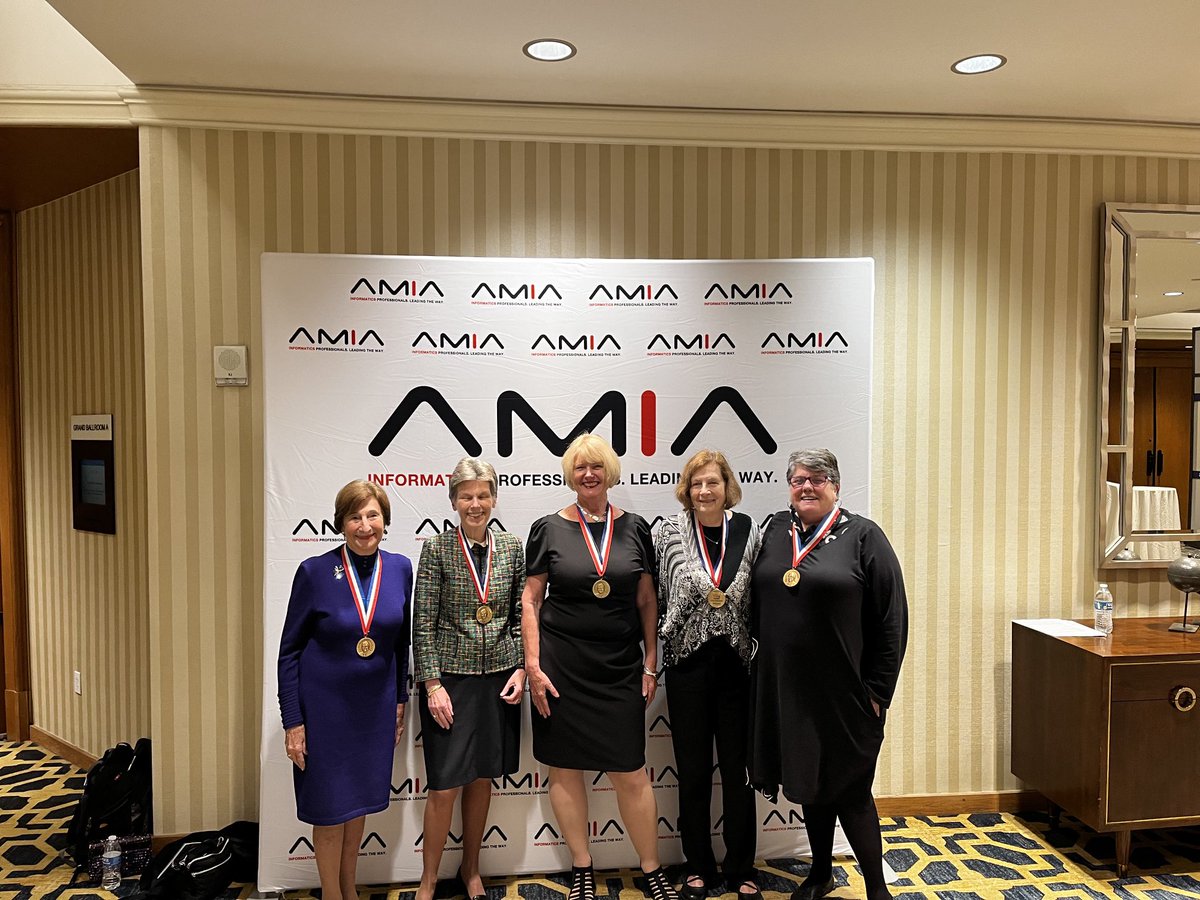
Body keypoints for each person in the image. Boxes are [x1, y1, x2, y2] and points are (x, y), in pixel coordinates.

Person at [522, 433, 679, 900]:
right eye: (579, 467)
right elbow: (531, 600)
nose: (588, 474)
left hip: (619, 668)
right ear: (570, 473)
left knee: (631, 772)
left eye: (596, 467)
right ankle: (582, 868)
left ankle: (650, 868)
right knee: (565, 770)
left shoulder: (636, 529)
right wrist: (532, 665)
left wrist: (651, 663)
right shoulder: (547, 528)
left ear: (609, 472)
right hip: (561, 666)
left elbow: (647, 599)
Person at [748, 449, 907, 900]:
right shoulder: (775, 530)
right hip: (790, 691)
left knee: (851, 791)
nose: (807, 487)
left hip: (848, 694)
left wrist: (879, 690)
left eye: (817, 479)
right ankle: (820, 874)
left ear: (835, 485)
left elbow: (893, 618)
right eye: (799, 479)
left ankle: (877, 889)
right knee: (808, 785)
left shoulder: (864, 536)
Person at [277, 479, 413, 900]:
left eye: (373, 515)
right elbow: (289, 652)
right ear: (341, 523)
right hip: (324, 713)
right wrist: (293, 721)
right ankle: (332, 894)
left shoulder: (401, 568)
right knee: (330, 808)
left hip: (373, 711)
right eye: (355, 516)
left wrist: (400, 699)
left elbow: (401, 643)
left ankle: (350, 888)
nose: (364, 525)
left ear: (385, 522)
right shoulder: (315, 572)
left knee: (358, 807)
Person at [412, 458, 526, 900]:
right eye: (466, 496)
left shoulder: (513, 548)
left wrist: (520, 666)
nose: (475, 504)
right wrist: (432, 684)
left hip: (499, 679)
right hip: (450, 684)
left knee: (482, 779)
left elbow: (520, 616)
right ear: (454, 502)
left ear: (494, 498)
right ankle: (427, 879)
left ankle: (472, 870)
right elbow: (423, 624)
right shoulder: (437, 549)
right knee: (443, 786)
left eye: (483, 495)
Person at [655, 450, 762, 900]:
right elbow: (662, 594)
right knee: (693, 772)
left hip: (738, 668)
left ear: (726, 487)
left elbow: (757, 596)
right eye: (696, 483)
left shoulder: (749, 530)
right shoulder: (669, 534)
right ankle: (698, 866)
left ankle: (742, 869)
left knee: (738, 775)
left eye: (712, 483)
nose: (704, 491)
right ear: (687, 487)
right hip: (688, 668)